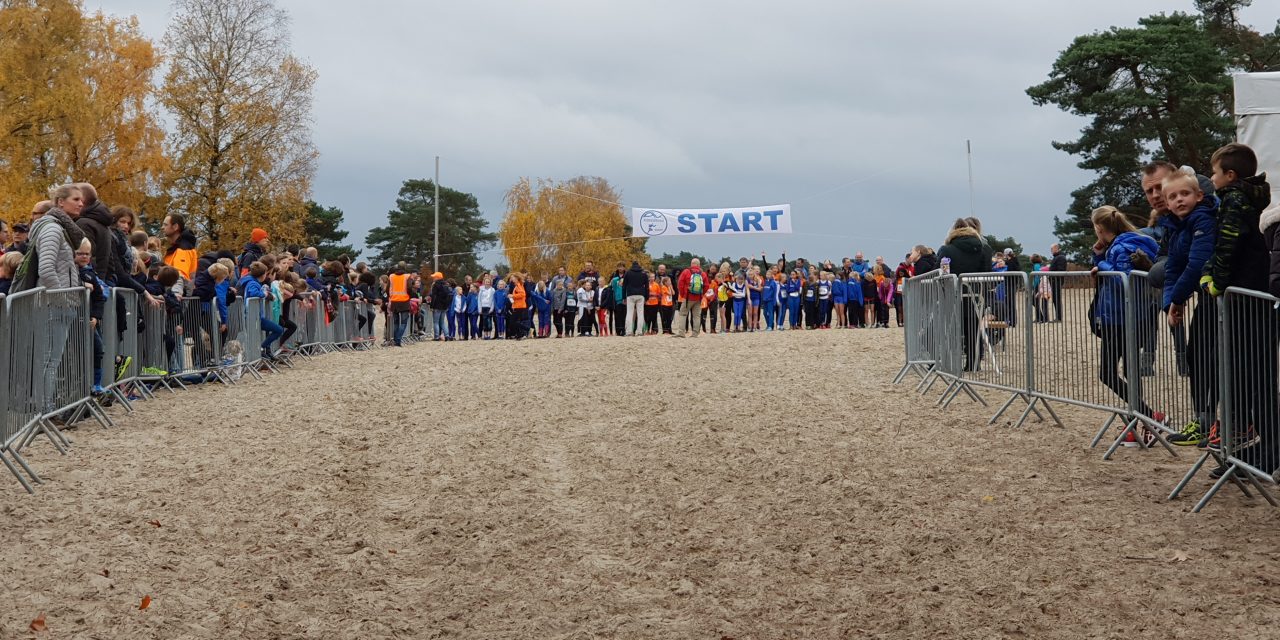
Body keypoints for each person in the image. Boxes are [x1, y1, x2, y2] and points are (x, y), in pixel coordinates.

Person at [1202, 143, 1273, 475]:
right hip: (1248, 296)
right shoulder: (1246, 199)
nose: (1212, 178)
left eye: (1214, 172)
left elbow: (1227, 243)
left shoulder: (1233, 200)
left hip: (1245, 297)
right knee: (1250, 375)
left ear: (1229, 175)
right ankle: (1259, 448)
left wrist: (1216, 281)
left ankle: (1268, 449)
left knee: (1252, 376)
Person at [1090, 206, 1163, 446]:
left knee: (1108, 373)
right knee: (1129, 371)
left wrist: (1101, 266)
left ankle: (1147, 415)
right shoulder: (1127, 243)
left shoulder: (1122, 247)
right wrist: (1099, 256)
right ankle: (1140, 418)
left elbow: (1124, 281)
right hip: (1130, 317)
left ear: (1100, 228)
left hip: (1120, 319)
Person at [1160, 168, 1219, 446]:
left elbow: (1197, 264)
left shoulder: (1203, 219)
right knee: (1197, 358)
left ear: (1199, 195)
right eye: (1173, 196)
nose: (1179, 199)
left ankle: (1218, 425)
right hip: (1205, 300)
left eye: (1185, 193)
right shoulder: (1176, 227)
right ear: (1167, 202)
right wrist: (1170, 302)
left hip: (1220, 299)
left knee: (1215, 362)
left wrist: (1179, 299)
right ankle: (1203, 421)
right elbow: (1172, 268)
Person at [938, 218, 993, 370]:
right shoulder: (985, 248)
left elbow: (942, 273)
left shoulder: (946, 249)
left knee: (949, 328)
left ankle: (947, 362)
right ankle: (974, 363)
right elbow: (988, 273)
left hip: (953, 294)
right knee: (974, 328)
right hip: (977, 294)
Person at [162, 213, 199, 283]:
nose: (162, 227)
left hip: (177, 291)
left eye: (165, 225)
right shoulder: (176, 248)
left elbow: (180, 277)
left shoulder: (183, 249)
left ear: (175, 227)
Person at [386, 262, 414, 346]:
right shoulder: (407, 276)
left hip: (394, 301)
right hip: (404, 301)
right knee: (404, 322)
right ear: (405, 267)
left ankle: (395, 340)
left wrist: (390, 297)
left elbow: (387, 289)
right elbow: (409, 287)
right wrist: (410, 295)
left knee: (396, 322)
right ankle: (398, 339)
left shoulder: (391, 276)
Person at [623, 260, 648, 336]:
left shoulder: (628, 273)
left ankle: (628, 331)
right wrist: (647, 297)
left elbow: (624, 286)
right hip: (641, 294)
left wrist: (624, 297)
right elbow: (647, 287)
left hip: (630, 294)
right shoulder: (643, 273)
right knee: (640, 314)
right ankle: (639, 331)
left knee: (629, 313)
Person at [427, 272, 451, 341]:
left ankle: (436, 336)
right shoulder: (446, 285)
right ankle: (447, 335)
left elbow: (434, 296)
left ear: (437, 278)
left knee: (436, 322)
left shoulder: (436, 285)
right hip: (444, 306)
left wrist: (431, 306)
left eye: (434, 277)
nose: (433, 278)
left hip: (437, 305)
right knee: (442, 322)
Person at [1048, 243, 1067, 322]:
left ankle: (1059, 317)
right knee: (1055, 299)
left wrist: (1055, 276)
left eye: (1052, 249)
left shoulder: (1061, 258)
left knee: (1057, 299)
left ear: (1056, 248)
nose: (1051, 251)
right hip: (1054, 280)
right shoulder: (1057, 257)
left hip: (1057, 281)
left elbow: (1060, 270)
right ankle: (1058, 317)